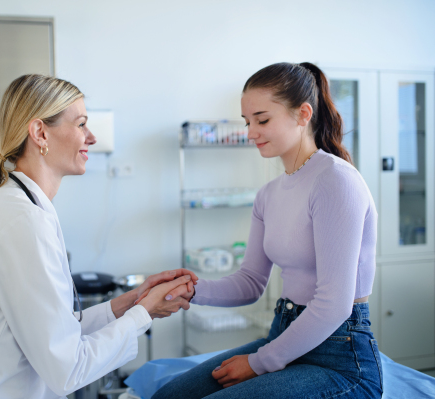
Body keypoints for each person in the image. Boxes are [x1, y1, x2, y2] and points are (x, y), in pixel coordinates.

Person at [0, 74, 198, 399]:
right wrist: (142, 314)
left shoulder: (23, 206)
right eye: (81, 124)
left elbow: (53, 329)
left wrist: (131, 302)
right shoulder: (22, 219)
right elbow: (69, 369)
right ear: (40, 132)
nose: (90, 137)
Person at [152, 62, 383, 399]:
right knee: (168, 396)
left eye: (262, 120)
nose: (250, 133)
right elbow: (249, 283)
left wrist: (260, 362)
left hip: (340, 359)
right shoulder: (269, 194)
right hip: (284, 335)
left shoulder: (335, 180)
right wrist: (188, 290)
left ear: (303, 114)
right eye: (248, 122)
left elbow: (334, 305)